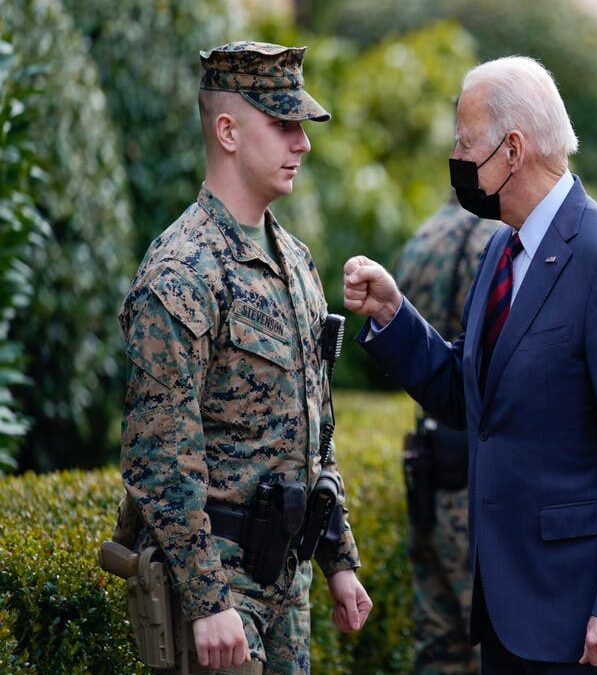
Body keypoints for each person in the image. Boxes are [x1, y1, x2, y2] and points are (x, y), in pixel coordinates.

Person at [343, 56, 597, 673]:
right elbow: (472, 396)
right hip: (509, 611)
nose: (455, 157)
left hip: (587, 620)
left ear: (513, 150)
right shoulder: (504, 248)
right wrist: (394, 315)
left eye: (464, 142)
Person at [113, 41, 371, 673]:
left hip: (285, 586)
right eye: (283, 124)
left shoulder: (296, 263)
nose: (302, 143)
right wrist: (207, 601)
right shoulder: (182, 271)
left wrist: (338, 558)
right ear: (227, 132)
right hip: (221, 595)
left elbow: (316, 429)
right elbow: (158, 455)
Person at [395, 196, 498, 674]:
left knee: (438, 644)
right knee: (491, 641)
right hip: (476, 467)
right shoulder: (497, 240)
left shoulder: (422, 238)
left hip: (429, 459)